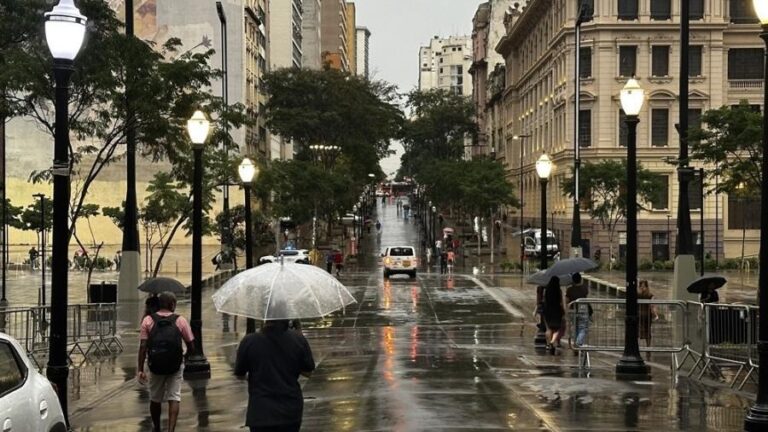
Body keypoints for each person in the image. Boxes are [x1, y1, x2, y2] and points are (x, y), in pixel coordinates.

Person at [235, 319, 315, 432]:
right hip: (290, 410)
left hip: (261, 411)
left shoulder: (250, 341)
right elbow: (308, 372)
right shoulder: (297, 339)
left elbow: (239, 374)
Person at [137, 292, 195, 432]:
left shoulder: (148, 321)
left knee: (155, 397)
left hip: (155, 365)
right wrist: (184, 359)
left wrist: (140, 369)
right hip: (175, 365)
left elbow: (143, 347)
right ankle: (171, 430)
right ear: (172, 305)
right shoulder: (180, 320)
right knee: (174, 397)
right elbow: (191, 345)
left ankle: (156, 427)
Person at [565, 273, 589, 349]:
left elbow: (567, 301)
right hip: (583, 310)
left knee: (575, 328)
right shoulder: (584, 288)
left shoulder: (569, 289)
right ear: (580, 279)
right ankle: (578, 343)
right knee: (583, 328)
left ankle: (576, 344)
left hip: (573, 311)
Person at [543, 276, 565, 354]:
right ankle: (552, 341)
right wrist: (563, 310)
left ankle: (548, 344)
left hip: (547, 310)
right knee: (557, 329)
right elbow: (561, 302)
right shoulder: (559, 291)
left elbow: (544, 300)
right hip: (557, 310)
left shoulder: (546, 290)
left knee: (549, 329)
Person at [638, 279, 659, 359]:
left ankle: (648, 347)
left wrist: (654, 314)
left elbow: (651, 306)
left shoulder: (647, 295)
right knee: (646, 332)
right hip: (643, 316)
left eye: (643, 286)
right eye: (641, 286)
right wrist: (656, 315)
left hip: (645, 316)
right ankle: (648, 348)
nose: (642, 288)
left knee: (644, 331)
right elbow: (652, 306)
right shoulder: (649, 295)